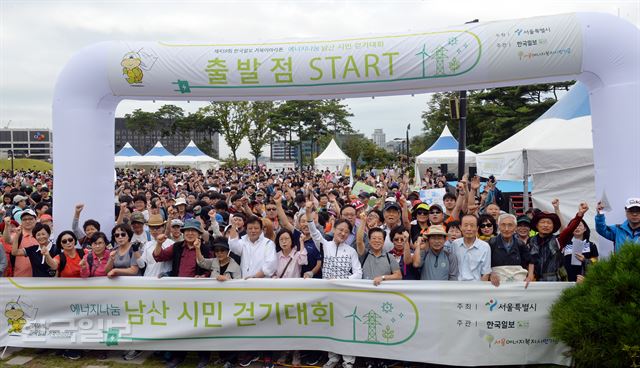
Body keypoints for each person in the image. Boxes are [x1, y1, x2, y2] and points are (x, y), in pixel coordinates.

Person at [305, 201, 361, 368]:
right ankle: (333, 357)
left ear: (349, 235)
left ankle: (349, 361)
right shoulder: (325, 245)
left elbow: (358, 272)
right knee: (330, 326)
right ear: (334, 230)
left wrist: (344, 281)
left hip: (345, 294)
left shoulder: (351, 251)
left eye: (346, 231)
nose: (342, 233)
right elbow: (314, 232)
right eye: (340, 230)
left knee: (346, 327)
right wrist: (308, 213)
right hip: (327, 294)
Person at [153, 219, 212, 368]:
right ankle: (179, 355)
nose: (190, 233)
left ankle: (203, 356)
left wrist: (203, 277)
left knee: (200, 325)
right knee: (180, 323)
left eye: (193, 231)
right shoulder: (177, 246)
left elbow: (210, 268)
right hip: (178, 293)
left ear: (199, 234)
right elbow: (158, 257)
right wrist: (159, 243)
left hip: (198, 293)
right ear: (183, 232)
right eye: (187, 230)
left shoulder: (205, 248)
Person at [529, 203, 589, 281]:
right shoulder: (530, 241)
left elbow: (570, 229)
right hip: (534, 281)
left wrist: (580, 214)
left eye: (549, 223)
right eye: (542, 222)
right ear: (537, 225)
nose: (546, 225)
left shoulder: (558, 240)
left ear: (553, 227)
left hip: (555, 281)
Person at [488, 214, 534, 288]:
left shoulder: (520, 244)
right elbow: (484, 263)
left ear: (515, 227)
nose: (506, 229)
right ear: (498, 226)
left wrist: (530, 276)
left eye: (510, 225)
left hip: (517, 283)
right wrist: (490, 274)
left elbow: (530, 261)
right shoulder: (491, 243)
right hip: (496, 284)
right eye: (503, 225)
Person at [452, 215, 492, 281]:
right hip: (457, 286)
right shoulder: (455, 244)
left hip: (476, 286)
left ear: (477, 228)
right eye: (466, 225)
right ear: (460, 227)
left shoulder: (485, 246)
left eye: (472, 225)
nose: (469, 229)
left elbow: (485, 273)